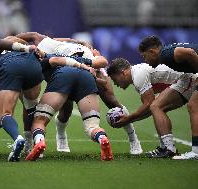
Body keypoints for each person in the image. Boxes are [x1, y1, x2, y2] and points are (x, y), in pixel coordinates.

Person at [14, 32, 142, 155]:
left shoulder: (46, 47)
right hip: (87, 74)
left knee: (111, 102)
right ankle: (79, 138)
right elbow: (101, 61)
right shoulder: (67, 45)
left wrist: (10, 41)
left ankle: (133, 137)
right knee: (82, 119)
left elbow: (34, 37)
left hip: (68, 74)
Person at [25, 53, 113, 161]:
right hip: (86, 77)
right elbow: (102, 66)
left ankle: (39, 142)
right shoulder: (81, 57)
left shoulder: (45, 57)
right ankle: (102, 138)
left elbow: (53, 60)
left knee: (39, 121)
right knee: (92, 125)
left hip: (63, 76)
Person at [106, 58, 197, 158]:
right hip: (184, 80)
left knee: (156, 106)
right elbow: (148, 110)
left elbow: (149, 104)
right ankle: (165, 147)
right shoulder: (137, 74)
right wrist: (128, 119)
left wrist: (128, 119)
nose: (115, 84)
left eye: (115, 79)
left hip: (187, 79)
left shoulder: (138, 76)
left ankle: (169, 149)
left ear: (122, 73)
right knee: (157, 108)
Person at [138, 36, 198, 159]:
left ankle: (196, 152)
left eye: (145, 56)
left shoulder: (166, 54)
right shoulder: (166, 54)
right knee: (157, 106)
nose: (145, 61)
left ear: (152, 52)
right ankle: (169, 148)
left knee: (194, 105)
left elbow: (190, 53)